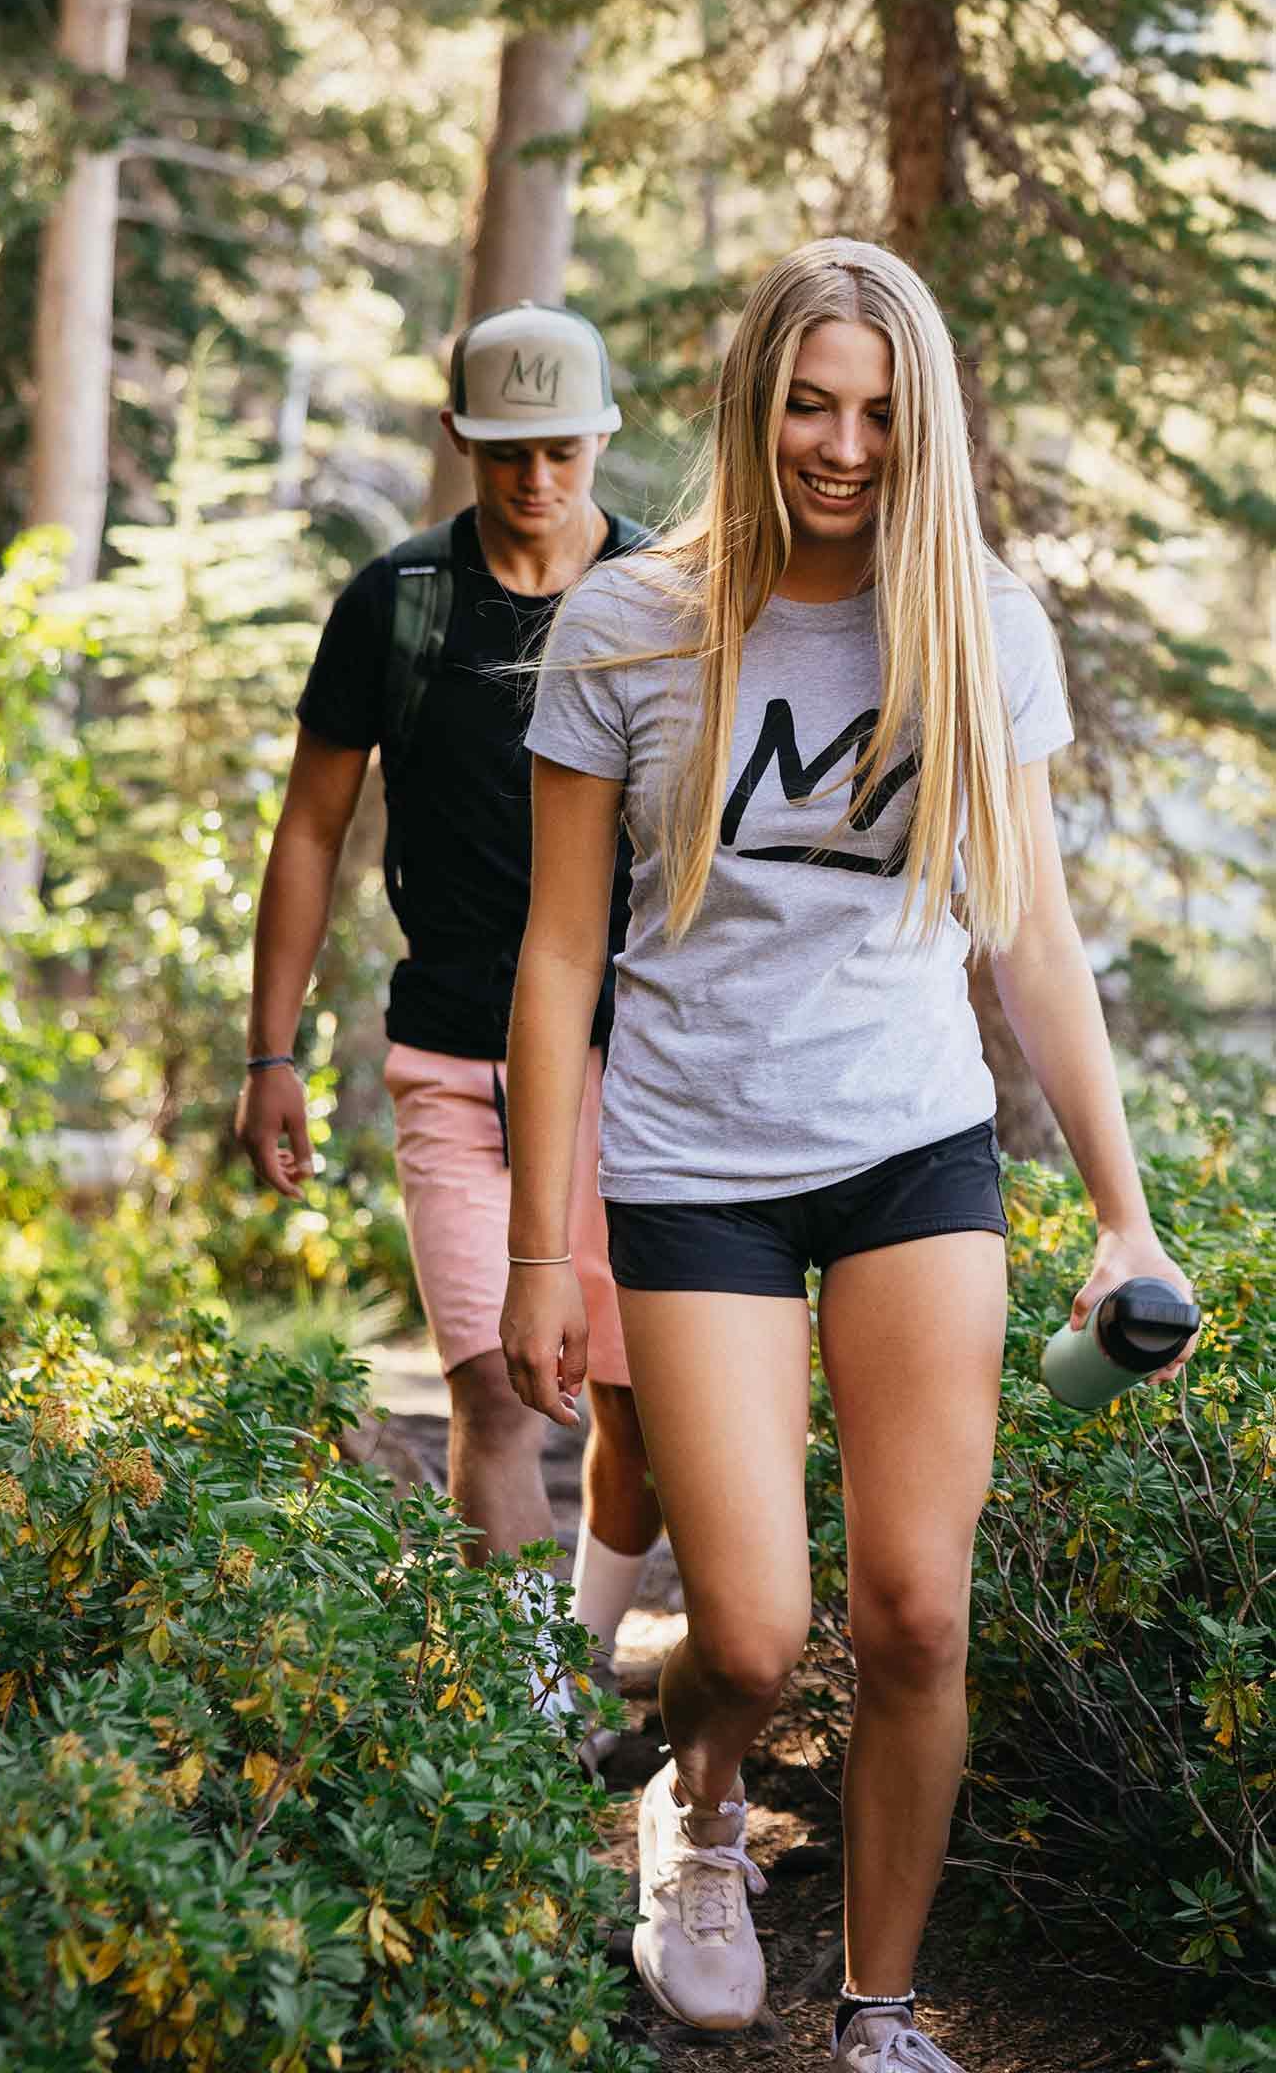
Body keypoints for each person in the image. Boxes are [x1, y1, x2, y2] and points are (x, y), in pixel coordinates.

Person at [499, 240, 1199, 2067]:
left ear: (926, 423)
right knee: (744, 1628)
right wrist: (535, 1254)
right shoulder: (629, 624)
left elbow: (1029, 937)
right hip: (694, 1165)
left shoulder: (980, 621)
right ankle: (701, 1808)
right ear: (749, 403)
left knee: (910, 1615)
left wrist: (1120, 1221)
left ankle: (881, 2015)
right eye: (807, 403)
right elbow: (561, 953)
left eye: (879, 412)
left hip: (907, 1151)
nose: (840, 445)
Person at [237, 300, 664, 1732]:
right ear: (455, 442)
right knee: (491, 1392)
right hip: (451, 1061)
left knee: (632, 1415)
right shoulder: (400, 605)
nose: (534, 480)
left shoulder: (668, 605)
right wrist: (271, 1051)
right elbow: (310, 829)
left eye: (558, 449)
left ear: (601, 434)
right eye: (502, 454)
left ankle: (579, 1664)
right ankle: (526, 1712)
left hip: (633, 1073)